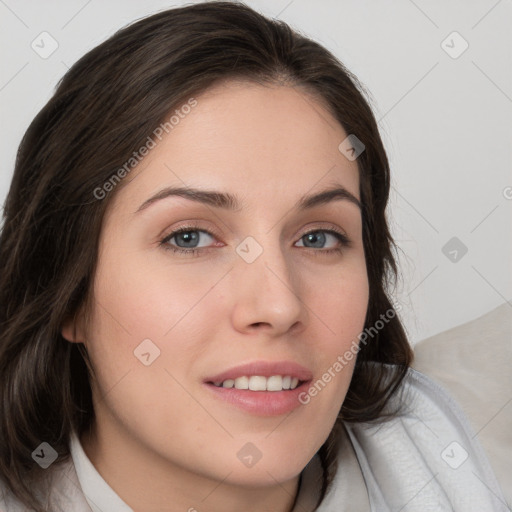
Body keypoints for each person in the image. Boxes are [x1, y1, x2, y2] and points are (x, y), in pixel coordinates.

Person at [0, 2, 506, 511]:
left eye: (318, 238)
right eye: (190, 237)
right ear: (67, 293)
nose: (279, 305)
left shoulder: (459, 450)